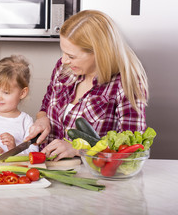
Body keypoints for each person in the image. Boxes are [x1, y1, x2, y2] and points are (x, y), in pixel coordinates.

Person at [26, 10, 149, 160]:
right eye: (63, 52)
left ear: (99, 53)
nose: (64, 60)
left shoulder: (125, 83)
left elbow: (131, 149)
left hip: (92, 177)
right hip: (50, 170)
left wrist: (78, 149)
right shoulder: (64, 68)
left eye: (71, 56)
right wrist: (42, 120)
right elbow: (45, 107)